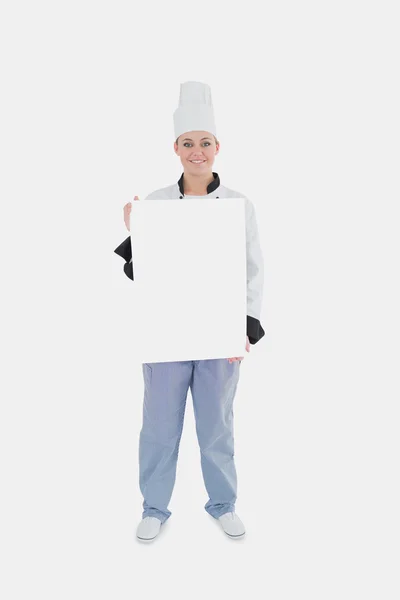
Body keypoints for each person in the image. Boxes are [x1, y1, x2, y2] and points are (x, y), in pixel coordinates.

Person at [114, 81, 265, 542]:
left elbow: (252, 268)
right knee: (159, 427)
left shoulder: (239, 204)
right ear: (175, 148)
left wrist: (246, 329)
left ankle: (223, 504)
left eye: (204, 143)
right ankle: (155, 506)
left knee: (217, 427)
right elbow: (146, 275)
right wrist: (135, 229)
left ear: (217, 147)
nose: (196, 152)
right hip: (166, 333)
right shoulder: (156, 204)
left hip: (219, 333)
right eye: (187, 143)